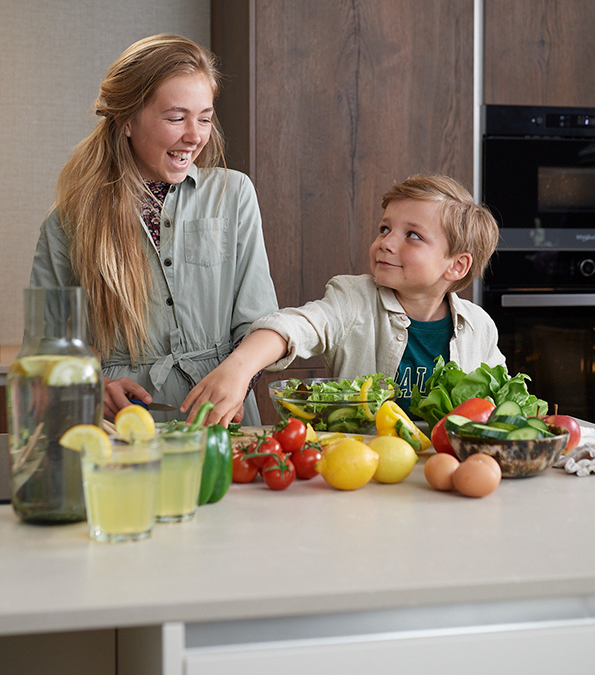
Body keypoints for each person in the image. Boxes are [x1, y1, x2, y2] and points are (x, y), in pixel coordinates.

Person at [30, 34, 278, 425]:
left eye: (205, 117)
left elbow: (261, 322)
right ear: (127, 120)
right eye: (176, 117)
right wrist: (89, 385)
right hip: (122, 430)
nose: (195, 135)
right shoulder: (66, 222)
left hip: (221, 426)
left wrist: (240, 372)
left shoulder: (234, 194)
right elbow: (45, 351)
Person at [181, 173, 506, 425]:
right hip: (362, 470)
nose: (387, 243)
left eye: (412, 235)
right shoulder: (354, 300)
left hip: (444, 471)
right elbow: (294, 326)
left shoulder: (479, 327)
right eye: (384, 228)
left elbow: (498, 405)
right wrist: (239, 367)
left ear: (456, 265)